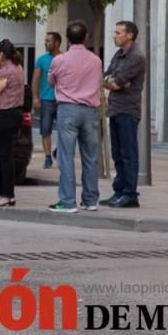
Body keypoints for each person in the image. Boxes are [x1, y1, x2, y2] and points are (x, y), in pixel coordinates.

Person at [46, 20, 102, 213]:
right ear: (86, 37)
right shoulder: (96, 60)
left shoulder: (59, 60)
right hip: (90, 111)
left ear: (67, 38)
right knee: (90, 157)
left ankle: (68, 201)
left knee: (66, 156)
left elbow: (52, 81)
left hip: (68, 109)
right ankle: (90, 199)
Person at [100, 20, 147, 209]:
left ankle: (130, 193)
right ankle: (119, 190)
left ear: (130, 35)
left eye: (118, 32)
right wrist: (112, 81)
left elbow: (117, 82)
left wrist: (114, 82)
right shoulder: (119, 55)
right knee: (117, 153)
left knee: (128, 153)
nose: (114, 35)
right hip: (115, 108)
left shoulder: (136, 56)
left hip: (128, 110)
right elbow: (105, 77)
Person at [0, 39, 24, 207]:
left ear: (1, 54)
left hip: (4, 114)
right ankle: (1, 192)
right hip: (12, 113)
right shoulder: (17, 67)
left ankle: (7, 194)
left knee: (3, 155)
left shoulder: (5, 71)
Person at [32, 31, 62, 169]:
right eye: (45, 40)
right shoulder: (42, 60)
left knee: (64, 129)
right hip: (46, 100)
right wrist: (35, 97)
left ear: (57, 43)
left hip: (62, 100)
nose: (46, 43)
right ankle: (48, 157)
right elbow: (36, 79)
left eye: (49, 40)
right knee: (45, 130)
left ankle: (58, 151)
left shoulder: (64, 58)